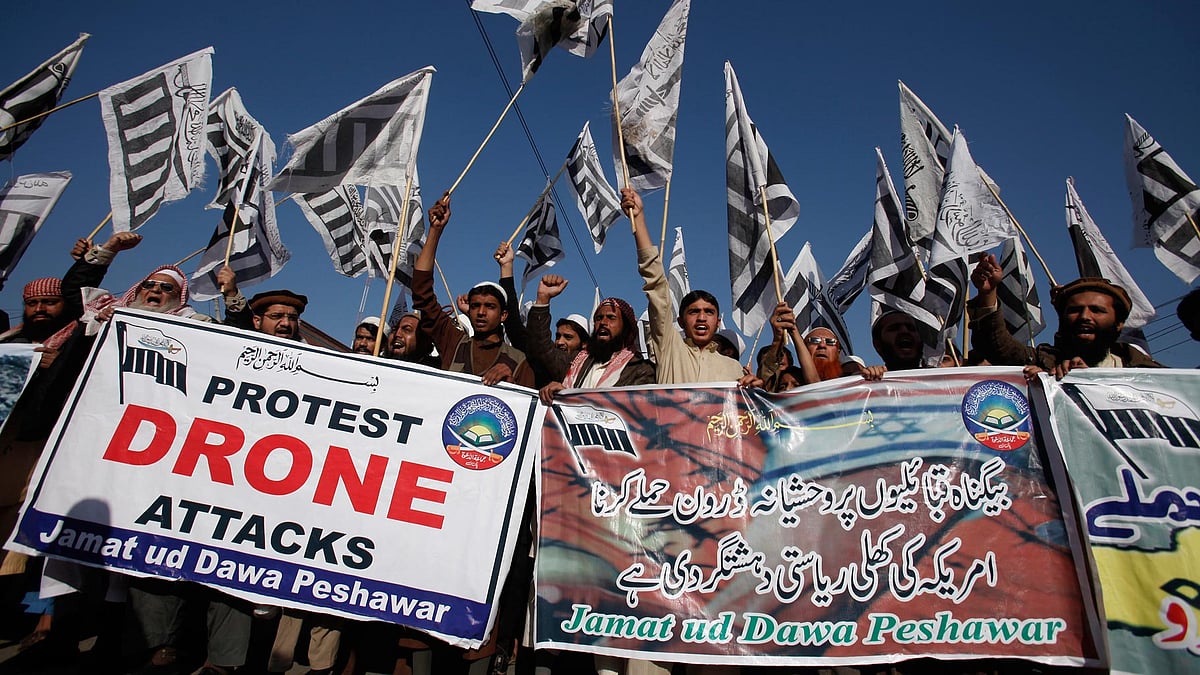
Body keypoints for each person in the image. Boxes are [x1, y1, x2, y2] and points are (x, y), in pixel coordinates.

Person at [624, 188, 757, 387]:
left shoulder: (734, 368)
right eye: (694, 312)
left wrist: (754, 391)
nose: (702, 317)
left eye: (709, 312)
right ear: (681, 320)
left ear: (718, 321)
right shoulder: (669, 348)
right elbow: (656, 285)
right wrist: (639, 219)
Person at [968, 252, 1164, 378]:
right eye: (1075, 310)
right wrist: (988, 292)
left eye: (1096, 310)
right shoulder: (1044, 362)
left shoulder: (1147, 372)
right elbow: (996, 347)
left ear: (1119, 323)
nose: (1085, 316)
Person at [411, 192, 535, 387]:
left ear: (503, 315)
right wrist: (435, 231)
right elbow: (421, 292)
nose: (481, 312)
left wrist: (511, 385)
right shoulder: (453, 342)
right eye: (476, 305)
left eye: (489, 306)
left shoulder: (519, 362)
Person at [532, 275, 655, 404]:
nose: (603, 322)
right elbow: (541, 349)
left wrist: (571, 399)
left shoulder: (640, 370)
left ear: (626, 327)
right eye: (598, 318)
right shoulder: (576, 360)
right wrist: (543, 299)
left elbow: (633, 410)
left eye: (611, 317)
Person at [0, 278, 72, 344]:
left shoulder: (79, 341)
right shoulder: (10, 344)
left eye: (50, 302)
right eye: (31, 303)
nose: (39, 309)